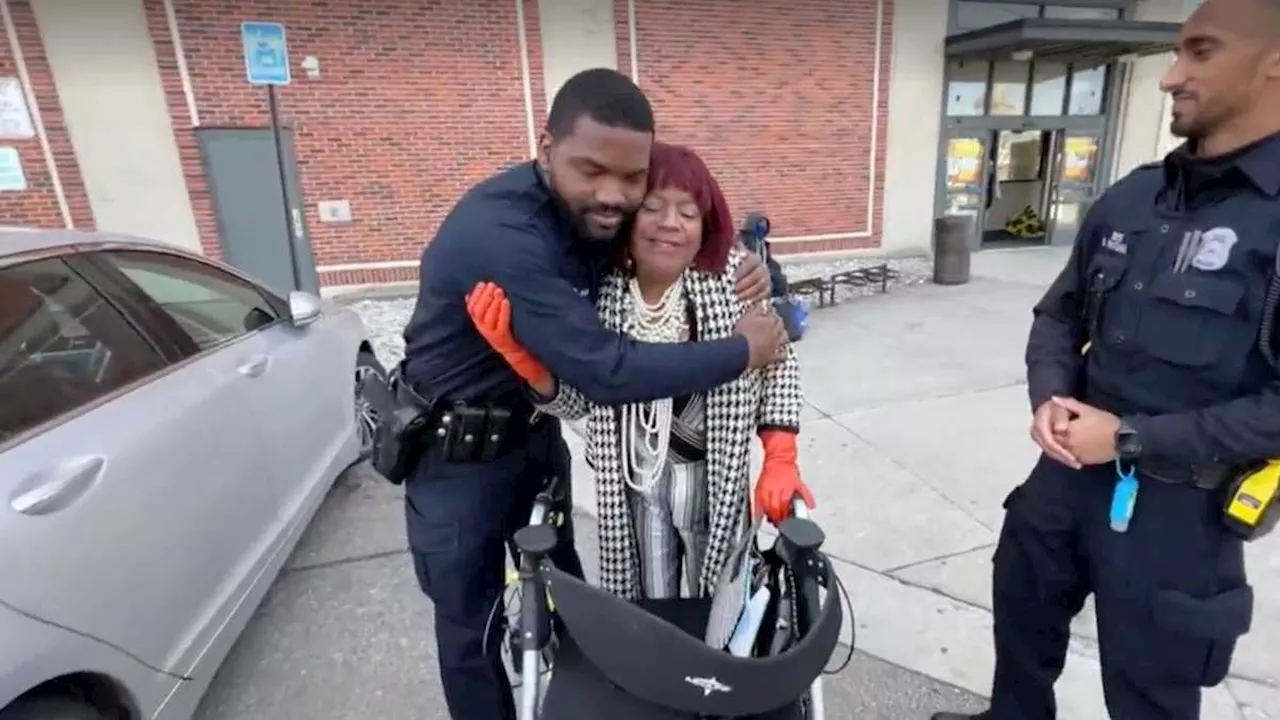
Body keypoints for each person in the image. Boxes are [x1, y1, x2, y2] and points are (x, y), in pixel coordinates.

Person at [399, 67, 786, 720]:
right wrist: (744, 350)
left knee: (575, 603)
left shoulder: (598, 219)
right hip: (455, 460)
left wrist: (755, 266)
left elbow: (680, 226)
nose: (613, 195)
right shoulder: (502, 235)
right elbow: (608, 371)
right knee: (473, 628)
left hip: (535, 437)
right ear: (547, 151)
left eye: (630, 178)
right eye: (590, 171)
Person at [933, 0, 1279, 718]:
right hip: (1061, 485)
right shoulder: (1131, 198)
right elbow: (1058, 314)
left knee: (1149, 692)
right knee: (1021, 636)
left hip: (1182, 514)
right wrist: (1049, 396)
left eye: (1201, 53)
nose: (1170, 77)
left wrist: (1130, 438)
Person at [466, 141, 815, 602]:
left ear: (706, 224)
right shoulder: (604, 299)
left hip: (714, 485)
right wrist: (525, 361)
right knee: (653, 607)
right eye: (653, 207)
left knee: (722, 605)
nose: (670, 223)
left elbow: (778, 367)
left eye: (688, 213)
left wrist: (780, 456)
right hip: (637, 488)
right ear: (628, 220)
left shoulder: (734, 282)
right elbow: (581, 399)